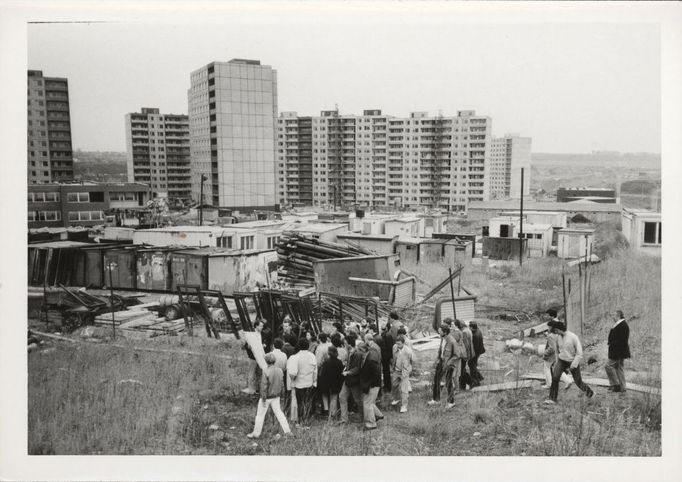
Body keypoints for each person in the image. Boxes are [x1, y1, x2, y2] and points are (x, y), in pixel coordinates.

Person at [544, 320, 594, 404]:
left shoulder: (573, 337)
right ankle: (552, 399)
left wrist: (574, 364)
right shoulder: (558, 337)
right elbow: (557, 350)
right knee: (555, 377)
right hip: (562, 360)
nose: (556, 333)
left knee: (578, 381)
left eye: (556, 330)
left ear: (560, 329)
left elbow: (579, 353)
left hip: (572, 361)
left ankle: (591, 393)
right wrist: (557, 361)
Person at [247, 353, 291, 439]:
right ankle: (287, 431)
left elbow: (264, 386)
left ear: (266, 361)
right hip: (276, 396)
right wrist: (281, 394)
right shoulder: (280, 370)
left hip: (267, 397)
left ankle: (256, 433)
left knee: (260, 415)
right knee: (279, 413)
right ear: (274, 361)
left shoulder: (266, 371)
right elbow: (282, 384)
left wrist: (263, 398)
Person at [427, 322, 459, 407]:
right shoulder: (442, 339)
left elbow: (457, 355)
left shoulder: (452, 341)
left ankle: (451, 402)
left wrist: (448, 363)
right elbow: (440, 350)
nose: (439, 333)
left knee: (448, 383)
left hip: (449, 365)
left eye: (440, 331)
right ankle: (436, 399)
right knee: (436, 380)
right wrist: (437, 359)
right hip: (441, 362)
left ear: (445, 332)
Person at [288, 338, 318, 426]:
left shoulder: (296, 357)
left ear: (299, 346)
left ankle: (300, 420)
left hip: (299, 383)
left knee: (300, 402)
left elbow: (293, 373)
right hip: (310, 383)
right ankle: (307, 419)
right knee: (307, 401)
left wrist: (292, 379)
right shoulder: (312, 356)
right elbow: (315, 370)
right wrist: (314, 382)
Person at [358, 339, 384, 431]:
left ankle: (371, 424)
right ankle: (378, 415)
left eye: (359, 350)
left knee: (367, 403)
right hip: (372, 384)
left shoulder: (370, 359)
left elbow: (376, 373)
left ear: (363, 350)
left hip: (373, 384)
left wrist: (370, 385)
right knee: (369, 401)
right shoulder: (370, 354)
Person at [340, 333, 363, 424]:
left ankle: (364, 417)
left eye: (345, 343)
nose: (344, 345)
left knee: (358, 400)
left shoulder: (357, 354)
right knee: (342, 397)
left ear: (349, 344)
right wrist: (346, 365)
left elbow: (357, 368)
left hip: (354, 381)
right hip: (348, 380)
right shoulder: (349, 353)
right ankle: (344, 419)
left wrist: (348, 372)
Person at [605, 310, 630, 393]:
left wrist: (612, 344)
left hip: (618, 352)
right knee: (619, 369)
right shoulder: (619, 324)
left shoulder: (622, 325)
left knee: (608, 366)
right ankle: (622, 388)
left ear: (618, 315)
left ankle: (616, 385)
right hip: (617, 352)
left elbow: (622, 341)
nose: (613, 317)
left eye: (614, 315)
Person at [318, 345, 345, 421]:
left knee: (325, 395)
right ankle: (333, 413)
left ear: (329, 353)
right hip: (336, 382)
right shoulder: (339, 362)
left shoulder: (326, 362)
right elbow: (341, 373)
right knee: (334, 397)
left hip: (326, 382)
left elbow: (322, 373)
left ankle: (326, 411)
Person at [390, 335, 413, 413]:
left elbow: (412, 361)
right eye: (397, 344)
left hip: (404, 372)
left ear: (403, 343)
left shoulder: (408, 351)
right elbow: (394, 358)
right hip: (396, 371)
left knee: (404, 390)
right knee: (394, 385)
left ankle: (404, 406)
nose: (398, 346)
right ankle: (396, 398)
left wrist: (407, 370)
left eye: (399, 344)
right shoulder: (395, 348)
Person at [242, 319, 265, 395]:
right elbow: (246, 346)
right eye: (261, 326)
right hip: (253, 358)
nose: (262, 327)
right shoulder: (251, 335)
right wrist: (248, 347)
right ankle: (251, 389)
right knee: (251, 373)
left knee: (260, 373)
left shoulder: (263, 334)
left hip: (261, 358)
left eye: (262, 326)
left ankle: (259, 389)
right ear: (256, 326)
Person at [456, 320, 474, 389]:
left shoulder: (464, 332)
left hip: (464, 355)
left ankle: (468, 383)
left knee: (461, 370)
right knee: (462, 370)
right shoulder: (467, 330)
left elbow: (466, 345)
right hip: (466, 353)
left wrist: (465, 355)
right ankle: (469, 382)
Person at [379, 322, 395, 392]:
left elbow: (389, 347)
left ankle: (388, 386)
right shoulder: (386, 334)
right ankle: (387, 385)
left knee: (386, 371)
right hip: (385, 356)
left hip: (386, 356)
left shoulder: (387, 335)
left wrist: (390, 356)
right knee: (386, 371)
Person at [469, 322, 485, 387]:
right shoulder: (478, 330)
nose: (469, 328)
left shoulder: (475, 335)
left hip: (476, 352)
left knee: (472, 365)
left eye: (469, 327)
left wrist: (472, 355)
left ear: (472, 328)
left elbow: (475, 347)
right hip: (479, 351)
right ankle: (479, 377)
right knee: (473, 365)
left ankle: (476, 381)